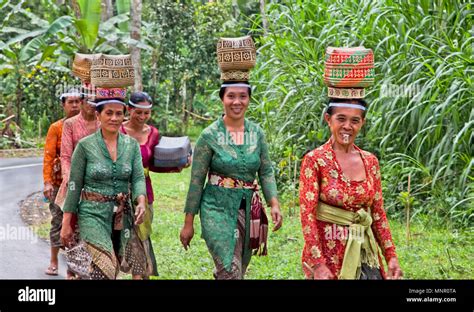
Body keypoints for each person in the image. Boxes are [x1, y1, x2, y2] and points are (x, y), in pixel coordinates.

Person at [180, 81, 283, 279]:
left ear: (249, 99)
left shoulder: (257, 134)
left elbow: (266, 171)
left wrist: (274, 204)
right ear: (222, 99)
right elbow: (196, 181)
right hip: (216, 209)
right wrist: (188, 223)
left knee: (239, 268)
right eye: (231, 96)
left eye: (243, 96)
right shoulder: (209, 135)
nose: (237, 102)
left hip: (248, 210)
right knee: (230, 269)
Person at [299, 98, 403, 280]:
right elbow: (307, 215)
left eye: (355, 120)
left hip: (364, 251)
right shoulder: (315, 160)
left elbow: (377, 214)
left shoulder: (370, 161)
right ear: (328, 119)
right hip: (328, 256)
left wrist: (391, 256)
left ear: (362, 123)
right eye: (341, 119)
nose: (347, 126)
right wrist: (318, 264)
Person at [60, 97, 147, 280]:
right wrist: (66, 222)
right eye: (109, 113)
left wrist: (141, 201)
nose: (114, 118)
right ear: (98, 115)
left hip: (123, 215)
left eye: (118, 113)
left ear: (124, 116)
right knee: (106, 265)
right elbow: (74, 186)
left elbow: (138, 178)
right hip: (92, 213)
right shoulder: (85, 146)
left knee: (117, 267)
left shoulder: (131, 146)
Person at [120, 91, 190, 279]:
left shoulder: (153, 133)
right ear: (129, 109)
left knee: (141, 235)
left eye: (147, 113)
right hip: (118, 194)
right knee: (125, 237)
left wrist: (177, 167)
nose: (142, 117)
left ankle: (141, 273)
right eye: (138, 112)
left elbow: (153, 165)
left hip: (145, 193)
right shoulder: (117, 130)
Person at [42, 89, 81, 277]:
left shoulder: (88, 126)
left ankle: (75, 266)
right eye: (70, 102)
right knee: (58, 222)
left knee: (79, 225)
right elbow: (48, 157)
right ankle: (54, 260)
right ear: (63, 105)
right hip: (60, 185)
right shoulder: (56, 128)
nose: (74, 105)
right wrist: (47, 183)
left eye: (77, 101)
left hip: (83, 185)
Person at [55, 87, 100, 209]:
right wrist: (68, 176)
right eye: (88, 101)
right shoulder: (70, 124)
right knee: (69, 220)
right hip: (76, 176)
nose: (92, 105)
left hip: (99, 177)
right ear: (81, 101)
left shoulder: (102, 123)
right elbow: (65, 155)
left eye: (96, 102)